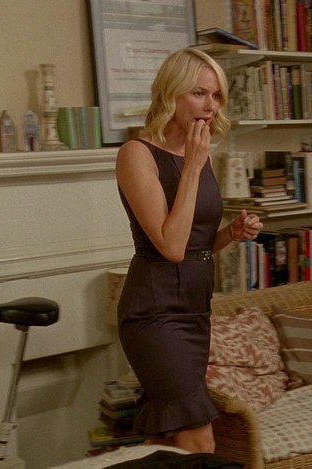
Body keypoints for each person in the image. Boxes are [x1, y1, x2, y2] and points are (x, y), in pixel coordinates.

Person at [114, 47, 263, 454]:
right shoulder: (137, 154)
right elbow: (171, 247)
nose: (210, 106)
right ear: (171, 94)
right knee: (199, 439)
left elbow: (197, 245)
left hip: (195, 309)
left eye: (216, 96)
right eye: (199, 93)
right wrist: (194, 167)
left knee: (169, 439)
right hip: (154, 313)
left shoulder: (200, 154)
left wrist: (230, 233)